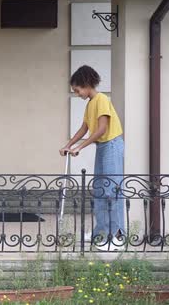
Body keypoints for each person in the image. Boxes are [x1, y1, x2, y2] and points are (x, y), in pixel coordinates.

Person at [59, 65, 125, 250]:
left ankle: (116, 236)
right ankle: (101, 233)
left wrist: (80, 147)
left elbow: (102, 129)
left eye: (77, 89)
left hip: (112, 144)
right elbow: (85, 128)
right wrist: (69, 144)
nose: (77, 93)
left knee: (112, 190)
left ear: (86, 84)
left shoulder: (102, 99)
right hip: (103, 146)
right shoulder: (90, 104)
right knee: (99, 189)